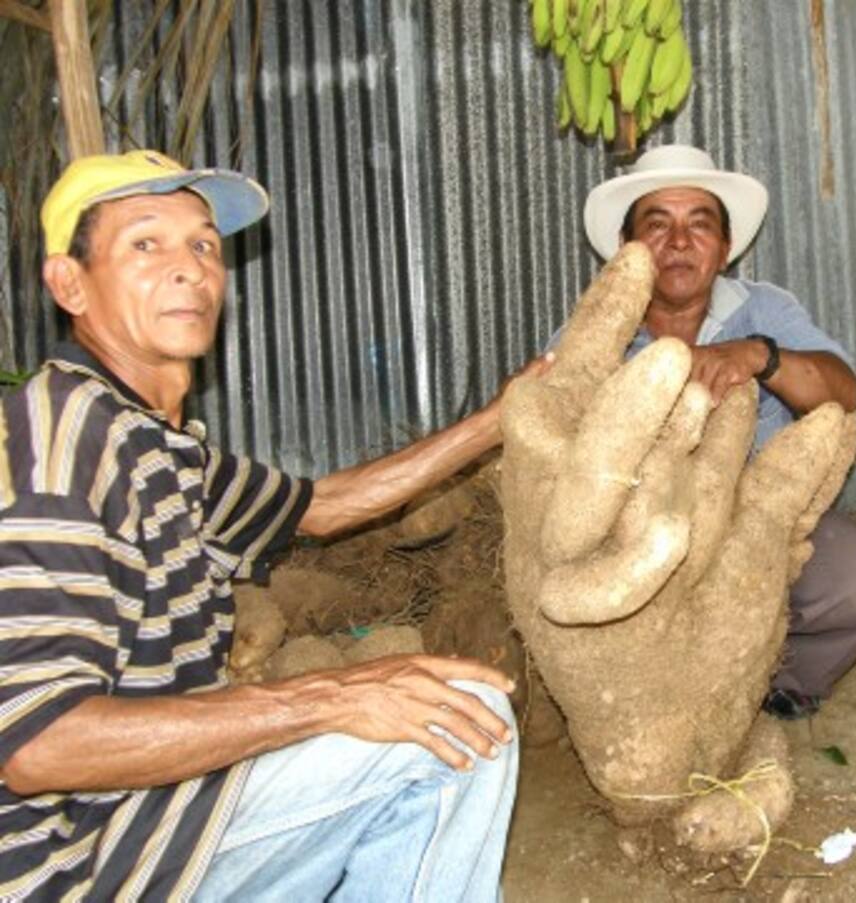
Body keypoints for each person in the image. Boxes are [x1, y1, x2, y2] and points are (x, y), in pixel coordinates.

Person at [0, 150, 537, 901]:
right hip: (94, 864)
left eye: (204, 245)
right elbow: (37, 742)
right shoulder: (64, 448)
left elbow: (320, 506)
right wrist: (330, 695)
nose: (189, 267)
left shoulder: (151, 440)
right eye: (146, 243)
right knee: (459, 727)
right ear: (69, 283)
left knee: (433, 705)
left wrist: (493, 422)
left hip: (166, 812)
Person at [580, 144, 856, 719]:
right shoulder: (595, 330)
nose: (679, 241)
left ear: (725, 249)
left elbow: (843, 391)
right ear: (626, 249)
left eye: (699, 224)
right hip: (643, 538)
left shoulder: (766, 309)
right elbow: (549, 424)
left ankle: (780, 684)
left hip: (764, 523)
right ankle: (661, 703)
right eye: (657, 224)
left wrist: (760, 355)